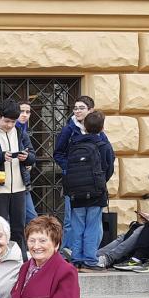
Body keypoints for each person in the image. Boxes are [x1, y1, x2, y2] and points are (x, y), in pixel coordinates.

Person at [53, 95, 109, 255]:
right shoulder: (69, 130)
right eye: (75, 108)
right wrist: (72, 169)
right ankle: (68, 253)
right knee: (71, 220)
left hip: (94, 183)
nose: (77, 111)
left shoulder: (99, 131)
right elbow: (58, 153)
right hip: (74, 182)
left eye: (81, 108)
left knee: (94, 221)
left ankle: (90, 254)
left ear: (90, 110)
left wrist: (99, 177)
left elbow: (107, 156)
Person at [0, 98, 36, 256]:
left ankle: (21, 260)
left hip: (20, 187)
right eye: (7, 121)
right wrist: (1, 156)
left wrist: (27, 158)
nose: (10, 125)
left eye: (13, 121)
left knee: (19, 228)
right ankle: (1, 258)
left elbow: (33, 156)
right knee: (0, 229)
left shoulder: (20, 132)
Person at [66, 110, 114, 273]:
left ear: (84, 127)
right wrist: (100, 182)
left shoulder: (74, 144)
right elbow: (109, 167)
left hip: (76, 192)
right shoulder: (103, 145)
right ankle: (89, 260)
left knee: (77, 226)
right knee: (92, 226)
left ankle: (76, 260)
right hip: (96, 193)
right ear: (102, 128)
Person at [16, 100, 38, 225]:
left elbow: (31, 154)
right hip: (10, 181)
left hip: (23, 181)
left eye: (27, 112)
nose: (24, 115)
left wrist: (29, 161)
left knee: (32, 218)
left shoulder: (24, 130)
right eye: (21, 111)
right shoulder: (11, 129)